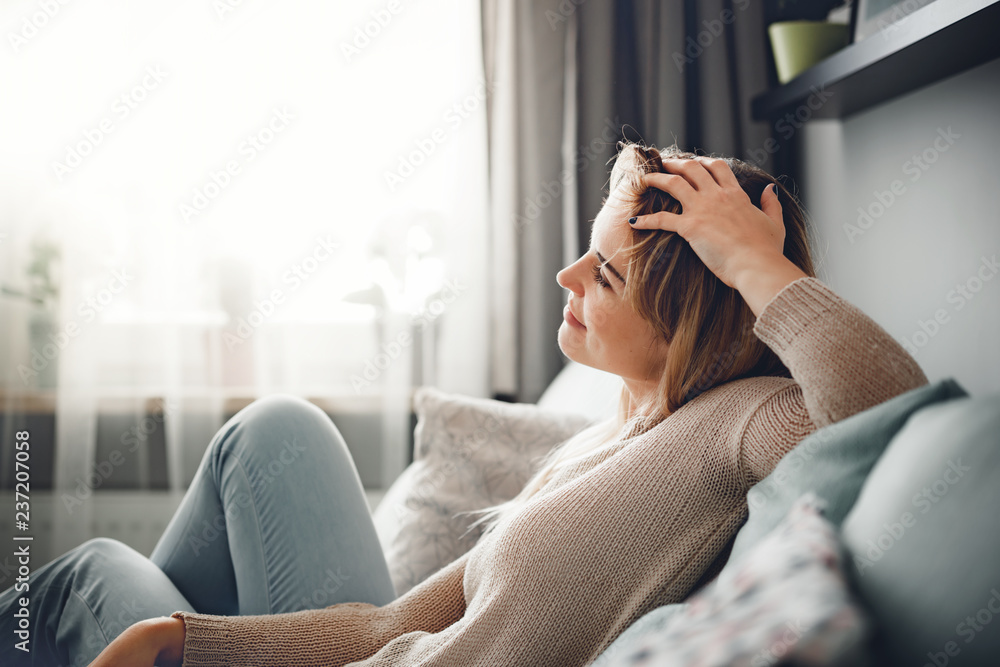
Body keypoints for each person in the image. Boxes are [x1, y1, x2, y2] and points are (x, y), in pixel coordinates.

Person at [0, 142, 928, 666]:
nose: (566, 276)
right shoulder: (615, 435)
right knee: (166, 533)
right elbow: (391, 625)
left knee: (87, 575)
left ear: (698, 318)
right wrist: (184, 641)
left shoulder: (745, 419)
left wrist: (757, 264)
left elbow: (895, 424)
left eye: (602, 273)